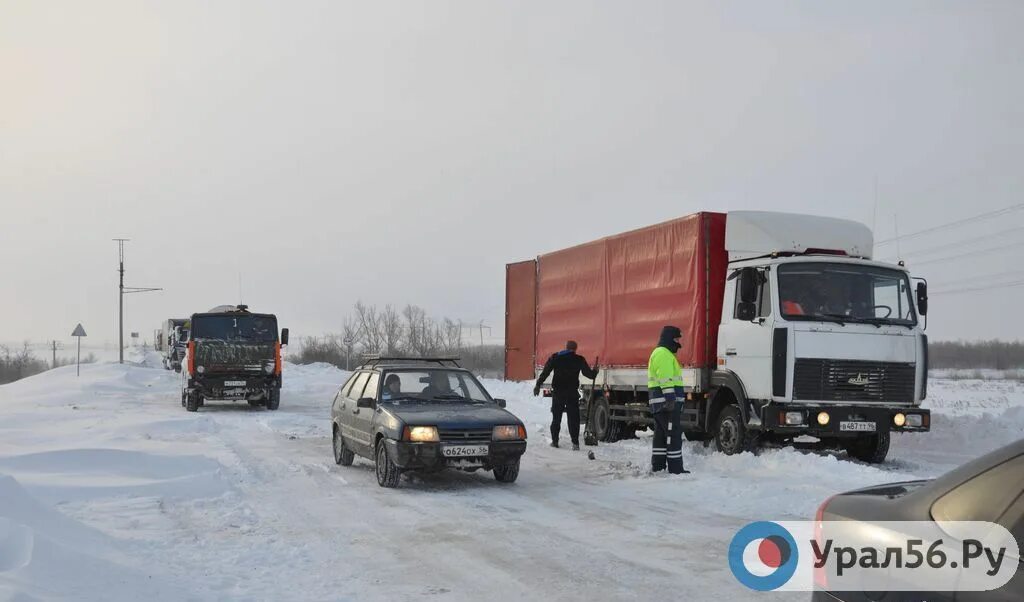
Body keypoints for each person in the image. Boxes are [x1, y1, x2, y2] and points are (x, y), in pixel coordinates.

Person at [533, 340, 599, 451]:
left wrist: (538, 385)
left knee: (556, 418)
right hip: (572, 393)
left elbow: (546, 372)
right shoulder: (579, 359)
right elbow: (589, 375)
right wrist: (595, 372)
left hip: (558, 392)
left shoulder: (555, 357)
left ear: (566, 347)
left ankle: (555, 441)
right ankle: (575, 444)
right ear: (575, 349)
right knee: (573, 419)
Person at [647, 326, 689, 474]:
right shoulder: (663, 354)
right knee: (673, 434)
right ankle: (675, 468)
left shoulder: (661, 353)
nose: (678, 343)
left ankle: (658, 466)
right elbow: (665, 378)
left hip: (660, 403)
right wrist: (670, 399)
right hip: (666, 403)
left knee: (661, 435)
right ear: (669, 338)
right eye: (676, 339)